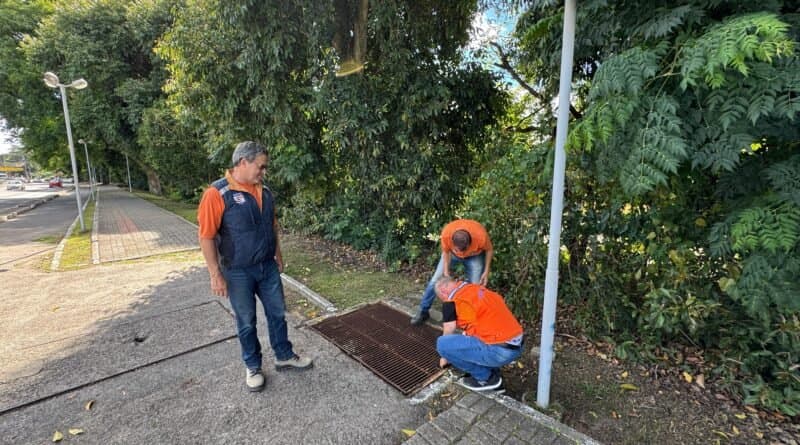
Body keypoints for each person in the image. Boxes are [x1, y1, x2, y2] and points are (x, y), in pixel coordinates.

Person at [198, 141, 312, 392]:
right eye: (260, 167)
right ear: (242, 163)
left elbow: (272, 227)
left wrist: (278, 255)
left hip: (267, 267)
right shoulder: (217, 194)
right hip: (237, 271)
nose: (263, 172)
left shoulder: (266, 192)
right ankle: (253, 366)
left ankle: (284, 355)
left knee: (277, 313)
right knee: (247, 321)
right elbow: (206, 236)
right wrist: (215, 274)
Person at [434, 276, 523, 391]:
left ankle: (486, 378)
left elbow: (449, 328)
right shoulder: (474, 288)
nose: (443, 300)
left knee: (442, 344)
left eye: (441, 298)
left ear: (443, 291)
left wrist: (444, 357)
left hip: (500, 351)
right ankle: (494, 374)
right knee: (468, 336)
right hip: (517, 344)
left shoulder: (451, 301)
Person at [410, 219, 494, 325]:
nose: (461, 253)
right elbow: (445, 252)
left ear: (469, 243)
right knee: (435, 280)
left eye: (463, 250)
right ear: (452, 243)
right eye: (457, 249)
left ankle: (471, 318)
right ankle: (423, 311)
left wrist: (486, 271)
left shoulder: (480, 236)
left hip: (474, 257)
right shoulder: (447, 234)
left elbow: (489, 250)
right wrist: (445, 271)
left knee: (476, 287)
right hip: (451, 256)